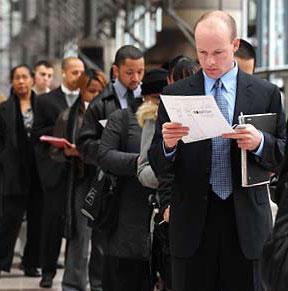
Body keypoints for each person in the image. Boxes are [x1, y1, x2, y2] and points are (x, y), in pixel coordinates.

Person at [149, 10, 286, 291]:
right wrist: (168, 145)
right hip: (193, 224)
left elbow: (283, 156)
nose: (210, 62)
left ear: (235, 45)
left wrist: (260, 142)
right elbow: (158, 163)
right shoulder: (176, 95)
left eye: (218, 52)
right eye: (202, 53)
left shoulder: (266, 93)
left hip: (246, 223)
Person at [77, 44, 145, 291]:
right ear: (116, 70)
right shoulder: (101, 102)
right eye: (130, 72)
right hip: (107, 184)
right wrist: (110, 151)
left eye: (140, 72)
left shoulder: (147, 101)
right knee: (102, 244)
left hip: (137, 185)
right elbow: (84, 143)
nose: (136, 78)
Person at [50, 69, 107, 291]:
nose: (95, 96)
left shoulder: (110, 112)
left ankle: (99, 283)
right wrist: (67, 152)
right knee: (79, 236)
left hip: (104, 180)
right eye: (90, 91)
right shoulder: (67, 116)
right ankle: (74, 283)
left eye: (99, 91)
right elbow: (53, 152)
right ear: (81, 90)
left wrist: (85, 152)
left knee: (102, 237)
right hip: (81, 180)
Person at [33, 56, 84, 288]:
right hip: (56, 169)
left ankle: (76, 273)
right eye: (74, 72)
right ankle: (48, 270)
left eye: (81, 72)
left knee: (79, 223)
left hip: (81, 170)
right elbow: (37, 133)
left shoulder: (88, 98)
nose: (78, 76)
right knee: (52, 221)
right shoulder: (46, 102)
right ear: (63, 73)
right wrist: (57, 140)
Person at [0, 65, 43, 277]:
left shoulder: (42, 105)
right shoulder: (4, 109)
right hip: (13, 171)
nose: (21, 81)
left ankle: (31, 263)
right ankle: (2, 260)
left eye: (25, 77)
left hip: (39, 171)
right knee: (9, 218)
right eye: (17, 78)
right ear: (12, 81)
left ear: (32, 80)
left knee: (37, 219)